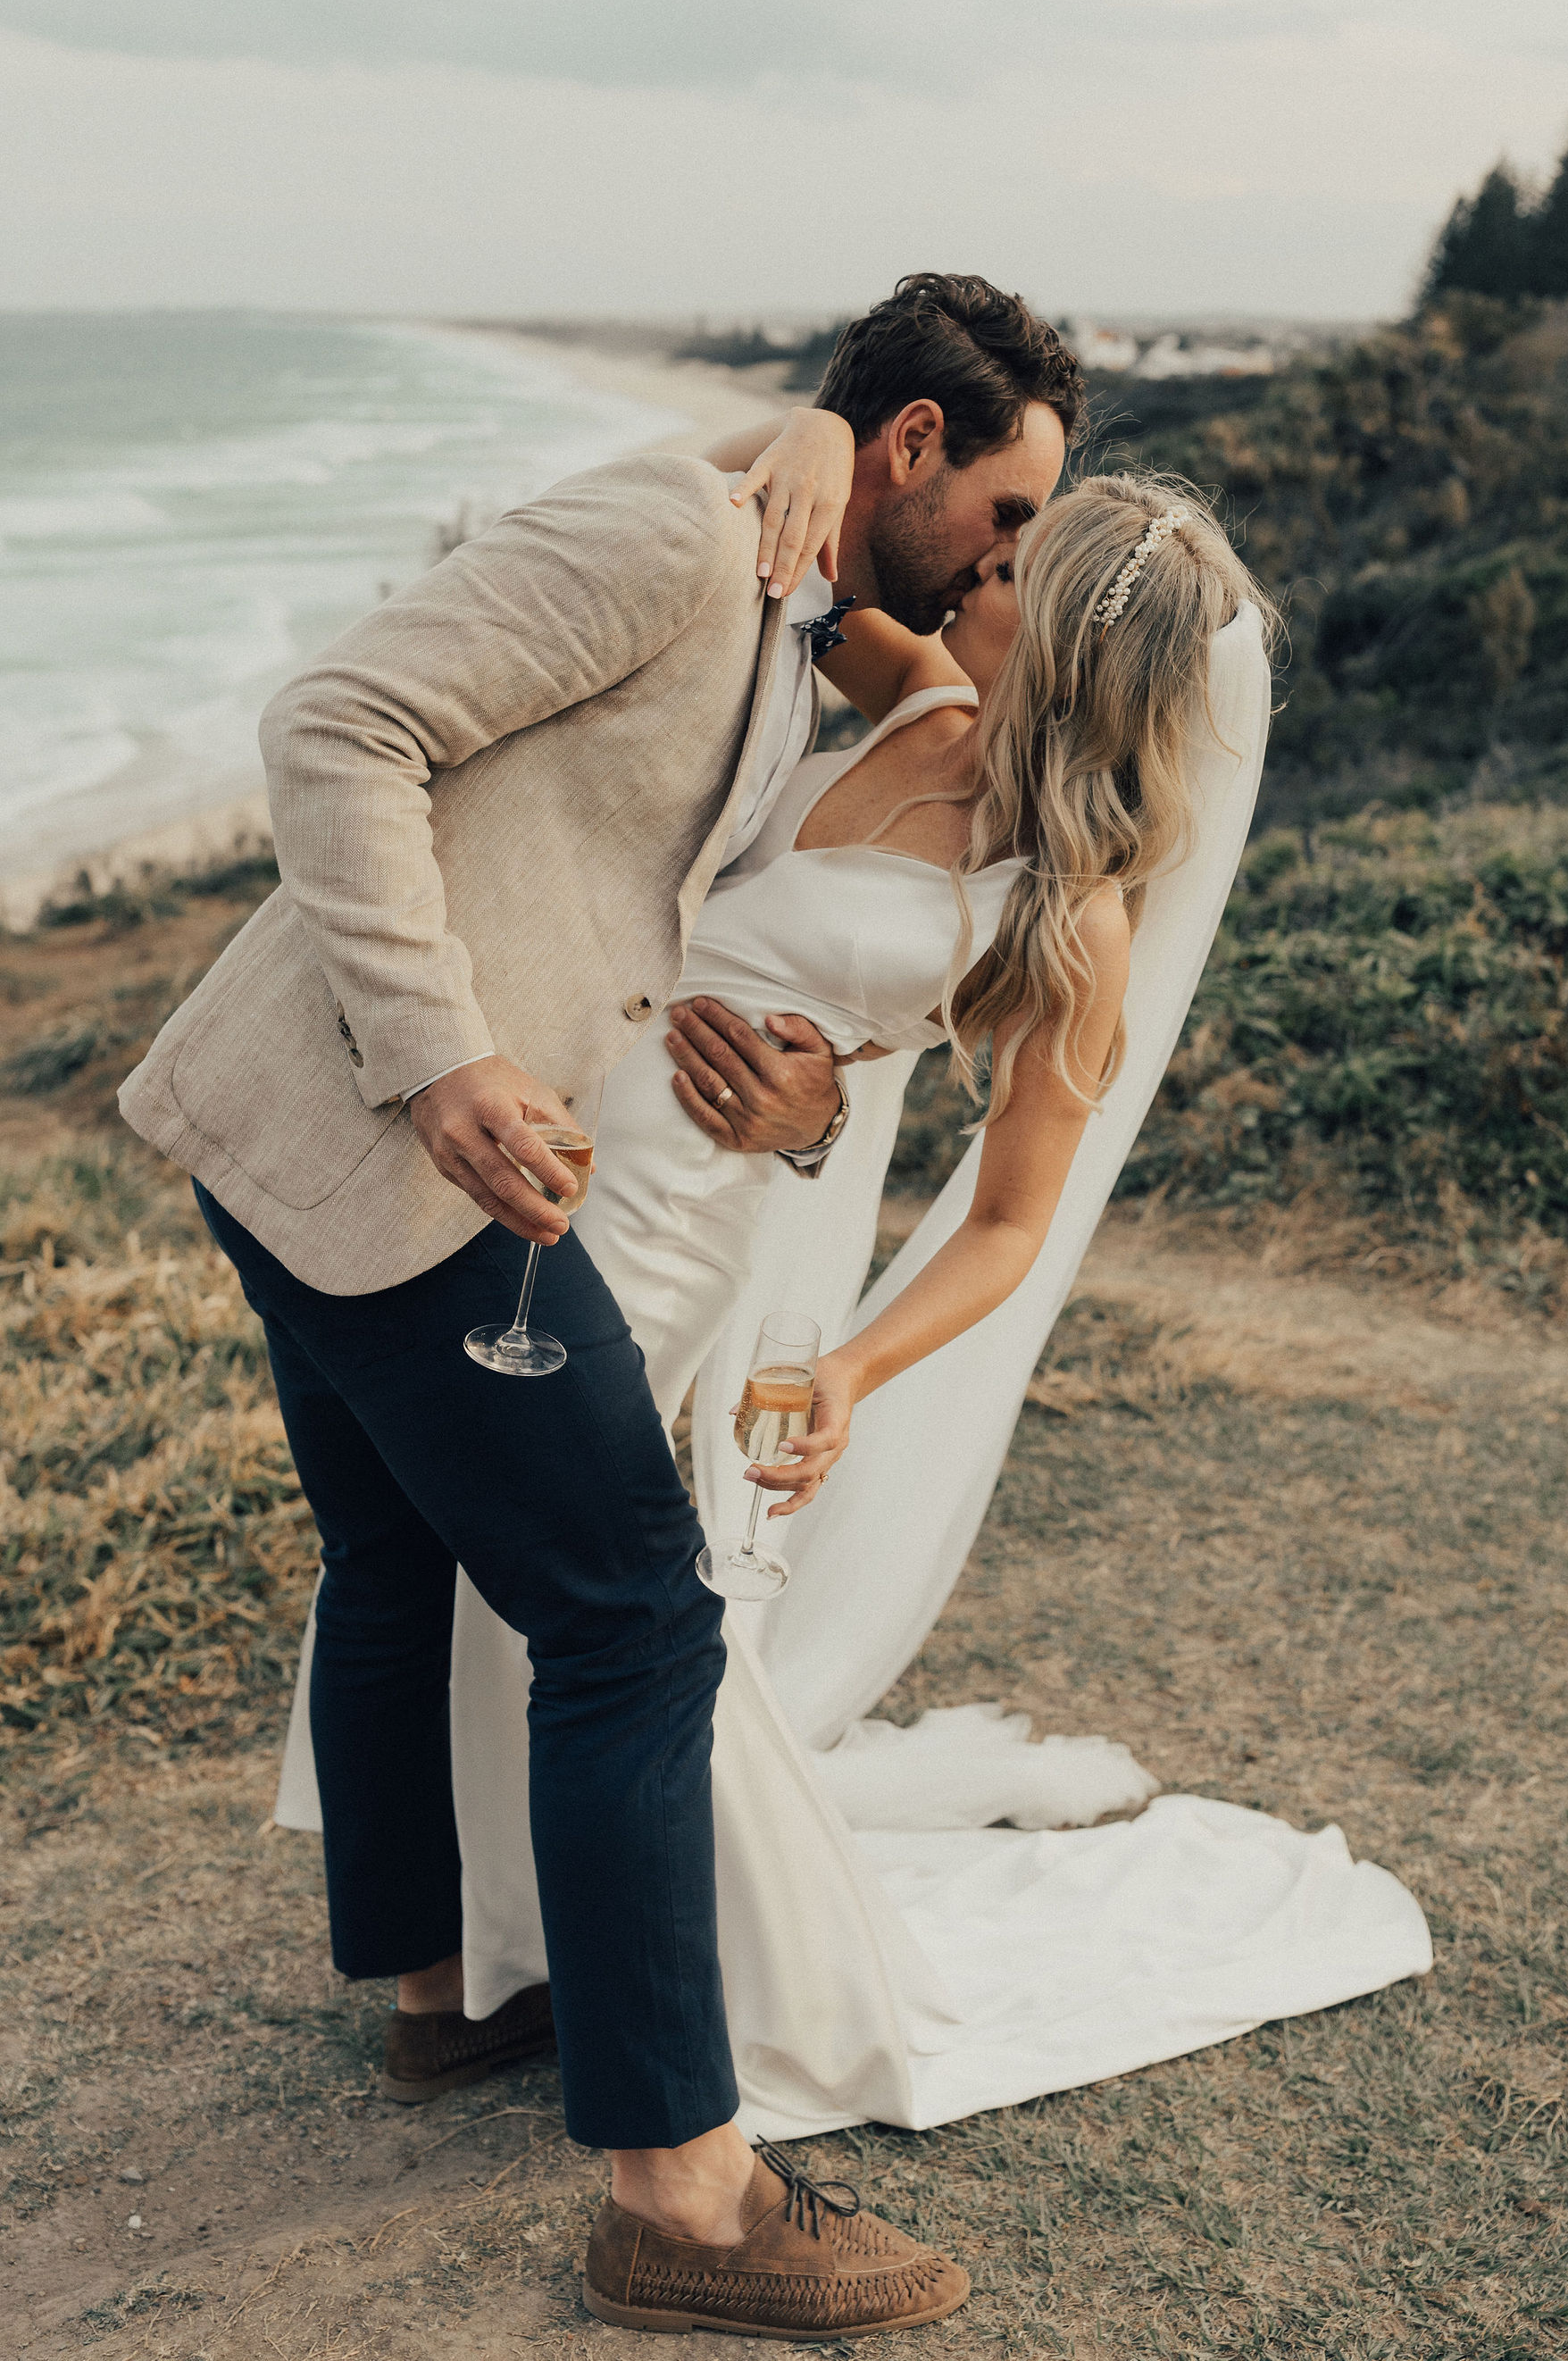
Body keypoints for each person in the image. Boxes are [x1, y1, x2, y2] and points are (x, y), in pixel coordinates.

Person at [275, 459, 1433, 2294]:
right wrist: (813, 437)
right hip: (534, 1131)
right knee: (466, 1566)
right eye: (1002, 534)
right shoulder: (926, 684)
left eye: (1017, 565)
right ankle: (476, 1986)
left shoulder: (1070, 913)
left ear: (1059, 642)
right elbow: (786, 573)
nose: (978, 562)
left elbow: (1003, 1223)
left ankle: (597, 2070)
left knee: (594, 1609)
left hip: (660, 1237)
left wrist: (852, 1363)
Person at [118, 274, 1085, 2343]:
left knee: (391, 1553)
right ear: (910, 447)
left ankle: (437, 1995)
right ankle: (686, 2193)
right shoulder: (678, 534)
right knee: (634, 1615)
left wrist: (814, 1109)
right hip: (399, 1140)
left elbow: (725, 859)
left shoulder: (791, 588)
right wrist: (446, 1060)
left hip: (325, 1132)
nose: (1000, 567)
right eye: (998, 518)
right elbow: (334, 723)